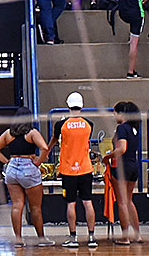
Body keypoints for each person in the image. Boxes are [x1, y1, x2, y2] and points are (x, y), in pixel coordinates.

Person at [0, 108, 53, 247]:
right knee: (35, 207)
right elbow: (44, 148)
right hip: (28, 169)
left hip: (12, 169)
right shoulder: (32, 133)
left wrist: (7, 162)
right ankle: (41, 238)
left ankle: (18, 239)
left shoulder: (8, 133)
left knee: (17, 205)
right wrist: (38, 162)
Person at [47, 91, 97, 249]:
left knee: (71, 204)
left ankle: (73, 238)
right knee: (87, 202)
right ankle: (91, 237)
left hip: (68, 170)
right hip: (86, 169)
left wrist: (45, 152)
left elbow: (53, 141)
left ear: (68, 105)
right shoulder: (89, 124)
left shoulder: (61, 125)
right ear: (82, 105)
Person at [101, 102, 143, 245]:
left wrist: (107, 157)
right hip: (134, 166)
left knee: (122, 202)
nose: (114, 116)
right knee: (129, 201)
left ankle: (125, 237)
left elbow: (122, 149)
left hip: (122, 167)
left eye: (116, 113)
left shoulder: (122, 128)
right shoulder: (134, 128)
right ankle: (137, 235)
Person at [114, 0, 147, 78]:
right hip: (136, 13)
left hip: (123, 12)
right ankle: (131, 71)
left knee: (132, 36)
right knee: (134, 44)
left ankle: (131, 36)